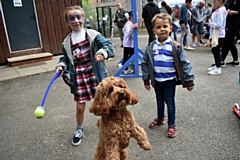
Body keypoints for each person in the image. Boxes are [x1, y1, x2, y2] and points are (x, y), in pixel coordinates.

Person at [55, 5, 115, 146]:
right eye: (71, 18)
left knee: (105, 103)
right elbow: (64, 58)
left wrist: (102, 53)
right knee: (80, 107)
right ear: (67, 22)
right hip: (79, 77)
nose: (76, 21)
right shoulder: (66, 43)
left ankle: (111, 125)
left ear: (84, 19)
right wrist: (61, 66)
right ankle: (79, 129)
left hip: (95, 74)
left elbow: (109, 46)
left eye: (78, 17)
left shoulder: (93, 34)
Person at [141, 13, 195, 138]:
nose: (162, 29)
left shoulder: (175, 46)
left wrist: (189, 80)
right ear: (154, 30)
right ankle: (160, 118)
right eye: (158, 27)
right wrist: (146, 80)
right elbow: (144, 64)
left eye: (165, 26)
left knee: (170, 102)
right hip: (157, 80)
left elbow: (185, 64)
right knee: (159, 101)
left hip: (170, 80)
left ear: (171, 28)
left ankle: (171, 124)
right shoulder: (150, 47)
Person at [207, 0, 227, 75]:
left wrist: (210, 23)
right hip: (217, 34)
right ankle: (217, 65)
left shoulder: (220, 11)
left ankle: (218, 68)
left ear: (220, 1)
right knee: (214, 50)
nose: (214, 3)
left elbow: (219, 24)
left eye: (215, 1)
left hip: (219, 34)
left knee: (216, 50)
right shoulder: (219, 10)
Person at [221, 0, 240, 66]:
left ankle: (221, 60)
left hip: (235, 23)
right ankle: (236, 60)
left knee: (227, 41)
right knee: (231, 43)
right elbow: (228, 7)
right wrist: (228, 10)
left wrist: (233, 12)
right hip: (230, 22)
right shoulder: (232, 1)